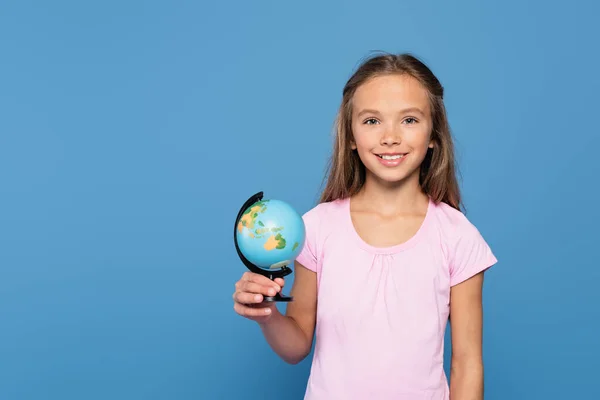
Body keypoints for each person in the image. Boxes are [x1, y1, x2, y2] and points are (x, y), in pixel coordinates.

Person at [232, 52, 498, 399]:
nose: (390, 137)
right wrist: (267, 316)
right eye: (372, 121)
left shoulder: (458, 237)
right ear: (352, 136)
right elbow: (296, 345)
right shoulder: (316, 229)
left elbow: (467, 364)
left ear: (434, 134)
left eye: (409, 120)